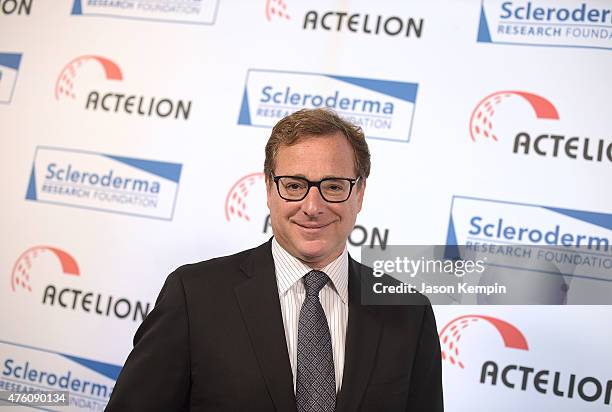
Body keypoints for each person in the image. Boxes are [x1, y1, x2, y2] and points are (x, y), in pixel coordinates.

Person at [105, 108, 443, 412]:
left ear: (359, 193)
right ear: (268, 189)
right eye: (294, 186)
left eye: (334, 187)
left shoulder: (409, 311)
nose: (312, 207)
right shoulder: (193, 297)